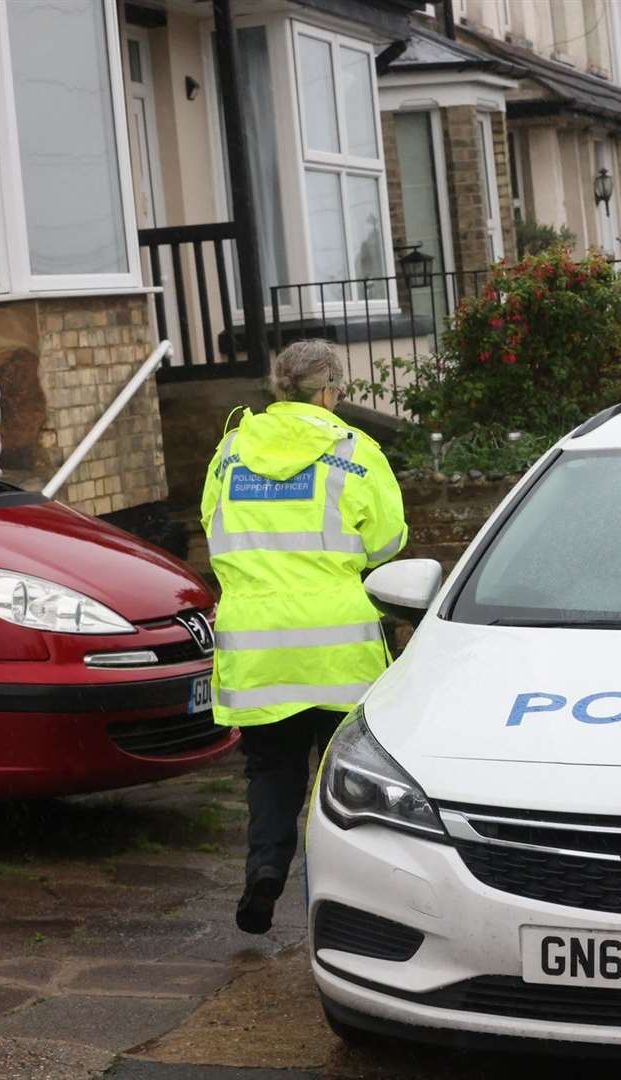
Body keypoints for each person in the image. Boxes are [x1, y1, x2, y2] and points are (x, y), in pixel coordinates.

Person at [200, 340, 407, 934]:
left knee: (270, 769)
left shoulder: (231, 451)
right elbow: (387, 544)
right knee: (343, 782)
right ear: (327, 391)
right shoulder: (356, 452)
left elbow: (211, 526)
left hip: (258, 649)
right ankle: (342, 905)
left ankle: (266, 868)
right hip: (338, 651)